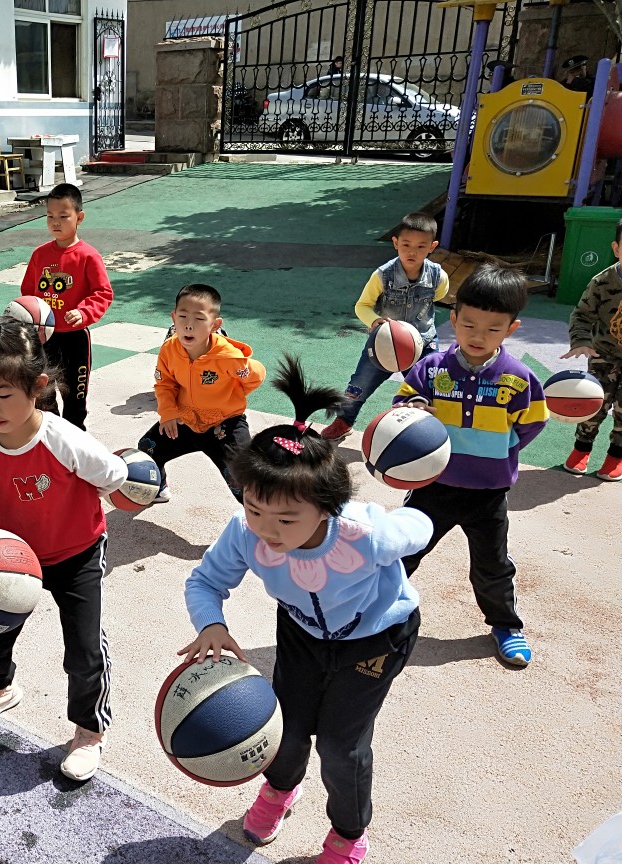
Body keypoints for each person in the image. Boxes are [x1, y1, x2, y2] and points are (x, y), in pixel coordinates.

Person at [181, 355, 430, 864]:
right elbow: (205, 581)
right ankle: (279, 790)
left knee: (341, 745)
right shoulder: (245, 532)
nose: (266, 529)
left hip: (377, 638)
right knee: (286, 727)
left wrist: (404, 503)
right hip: (301, 633)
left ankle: (348, 834)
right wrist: (211, 623)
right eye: (254, 508)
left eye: (286, 518)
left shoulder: (365, 533)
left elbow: (420, 527)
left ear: (327, 506)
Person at [0, 317, 127, 782]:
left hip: (77, 553)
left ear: (38, 386)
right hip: (8, 560)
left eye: (4, 395)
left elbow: (114, 474)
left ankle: (89, 731)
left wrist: (105, 489)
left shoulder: (63, 438)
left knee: (84, 648)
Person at [394, 263, 549, 666]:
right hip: (433, 486)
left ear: (511, 329)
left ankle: (506, 626)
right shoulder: (432, 369)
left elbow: (532, 422)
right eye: (469, 325)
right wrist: (413, 407)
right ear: (454, 319)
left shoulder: (518, 378)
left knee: (492, 566)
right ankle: (372, 610)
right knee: (402, 552)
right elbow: (402, 404)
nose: (478, 336)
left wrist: (500, 450)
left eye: (493, 329)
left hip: (488, 492)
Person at [321, 211, 449, 441]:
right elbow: (362, 306)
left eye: (421, 246)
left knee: (429, 388)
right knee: (359, 383)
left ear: (432, 247)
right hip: (385, 342)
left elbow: (439, 295)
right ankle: (344, 420)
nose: (412, 252)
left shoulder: (438, 276)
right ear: (395, 242)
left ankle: (426, 431)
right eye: (406, 245)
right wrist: (374, 320)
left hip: (423, 342)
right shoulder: (382, 275)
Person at [138, 283, 266, 503]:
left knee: (243, 477)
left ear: (214, 325)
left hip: (224, 425)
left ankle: (261, 517)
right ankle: (158, 487)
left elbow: (255, 376)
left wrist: (234, 389)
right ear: (173, 318)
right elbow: (165, 383)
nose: (189, 325)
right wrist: (168, 412)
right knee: (147, 449)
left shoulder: (226, 355)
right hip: (184, 421)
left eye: (199, 319)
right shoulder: (169, 349)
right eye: (182, 317)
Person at [20, 182, 113, 430]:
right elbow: (28, 292)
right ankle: (50, 440)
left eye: (63, 216)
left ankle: (76, 444)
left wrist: (84, 312)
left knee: (75, 402)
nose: (55, 222)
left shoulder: (89, 256)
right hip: (43, 338)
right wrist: (27, 317)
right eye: (50, 216)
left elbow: (103, 293)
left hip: (75, 340)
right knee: (43, 397)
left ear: (79, 217)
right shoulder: (39, 255)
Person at [561, 218, 622, 481]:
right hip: (603, 355)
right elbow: (582, 315)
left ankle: (616, 456)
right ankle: (581, 449)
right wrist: (581, 341)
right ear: (616, 249)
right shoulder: (603, 282)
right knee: (594, 403)